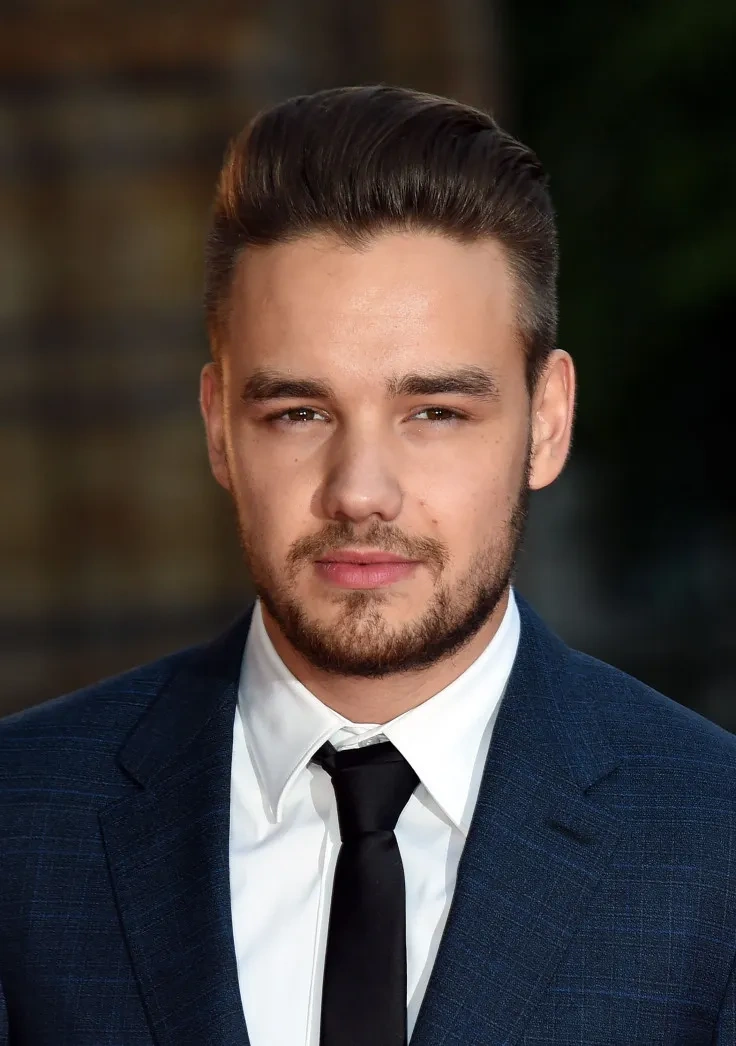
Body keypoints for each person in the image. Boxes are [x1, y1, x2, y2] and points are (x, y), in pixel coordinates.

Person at [0, 85, 734, 1046]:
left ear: (548, 423)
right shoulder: (21, 819)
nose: (359, 492)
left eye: (435, 412)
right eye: (299, 413)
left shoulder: (714, 841)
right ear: (218, 427)